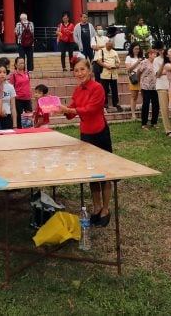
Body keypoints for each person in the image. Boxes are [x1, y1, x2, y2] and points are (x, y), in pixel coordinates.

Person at [55, 56, 113, 226]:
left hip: (100, 133)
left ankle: (106, 208)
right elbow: (72, 113)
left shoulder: (98, 88)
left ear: (89, 71)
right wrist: (59, 109)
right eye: (76, 70)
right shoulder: (78, 90)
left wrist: (70, 109)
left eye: (82, 69)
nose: (79, 73)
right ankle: (96, 207)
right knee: (92, 172)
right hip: (86, 134)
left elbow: (91, 110)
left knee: (104, 173)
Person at [133, 47, 160, 129]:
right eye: (153, 54)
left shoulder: (157, 62)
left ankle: (154, 122)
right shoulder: (144, 62)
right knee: (146, 104)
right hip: (145, 86)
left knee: (156, 104)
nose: (155, 55)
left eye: (156, 54)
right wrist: (139, 81)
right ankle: (143, 123)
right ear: (149, 54)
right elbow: (138, 72)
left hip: (155, 86)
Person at [95, 38, 121, 113]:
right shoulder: (101, 51)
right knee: (104, 90)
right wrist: (106, 66)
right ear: (106, 44)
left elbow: (118, 62)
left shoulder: (114, 52)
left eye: (112, 45)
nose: (111, 46)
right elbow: (99, 61)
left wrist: (117, 65)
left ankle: (116, 103)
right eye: (109, 45)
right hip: (105, 73)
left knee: (114, 89)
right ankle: (105, 103)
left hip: (114, 73)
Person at [124, 42, 144, 116]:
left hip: (142, 77)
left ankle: (144, 112)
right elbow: (128, 69)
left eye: (138, 49)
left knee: (144, 96)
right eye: (135, 49)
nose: (137, 50)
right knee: (134, 96)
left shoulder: (141, 57)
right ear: (132, 49)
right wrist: (137, 62)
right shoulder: (128, 57)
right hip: (134, 77)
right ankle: (133, 113)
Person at [0, 61, 17, 129]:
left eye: (4, 72)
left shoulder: (10, 87)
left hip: (7, 117)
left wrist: (15, 125)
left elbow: (13, 107)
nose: (2, 74)